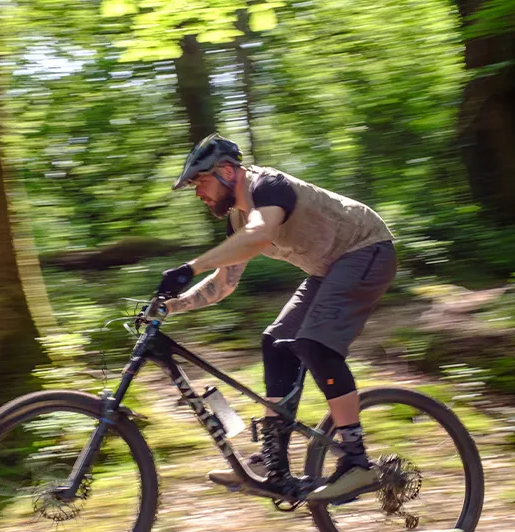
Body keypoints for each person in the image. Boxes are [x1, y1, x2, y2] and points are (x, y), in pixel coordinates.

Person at [156, 133, 397, 502]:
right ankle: (275, 462)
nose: (197, 192)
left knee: (314, 343)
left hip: (367, 250)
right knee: (277, 342)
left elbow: (260, 234)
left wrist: (191, 266)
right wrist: (171, 305)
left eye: (199, 181)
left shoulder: (268, 186)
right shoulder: (237, 219)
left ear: (225, 171)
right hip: (327, 270)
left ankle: (357, 460)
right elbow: (222, 284)